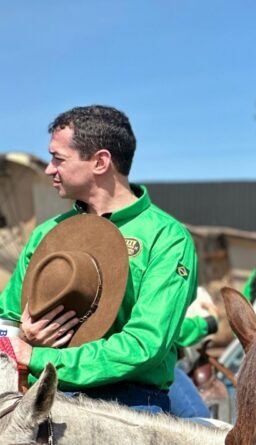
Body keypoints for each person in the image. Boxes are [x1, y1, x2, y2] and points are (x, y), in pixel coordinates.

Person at [0, 105, 198, 413]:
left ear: (100, 161)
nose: (49, 169)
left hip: (130, 407)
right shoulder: (44, 234)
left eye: (58, 158)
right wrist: (22, 338)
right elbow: (7, 319)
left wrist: (38, 357)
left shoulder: (167, 237)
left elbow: (144, 344)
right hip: (44, 399)